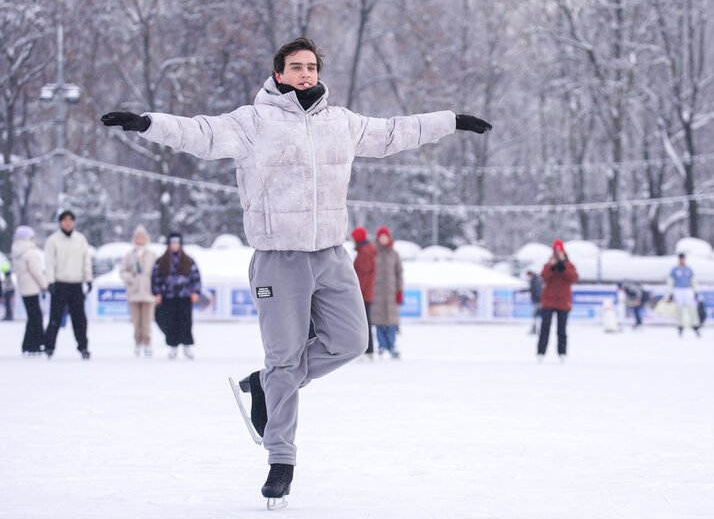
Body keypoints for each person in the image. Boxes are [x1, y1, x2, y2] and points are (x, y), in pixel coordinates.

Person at [101, 36, 491, 506]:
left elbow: (393, 132)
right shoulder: (252, 122)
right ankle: (280, 459)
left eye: (311, 67)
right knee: (285, 359)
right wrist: (147, 123)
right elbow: (200, 133)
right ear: (279, 74)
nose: (306, 74)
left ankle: (266, 385)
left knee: (352, 341)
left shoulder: (341, 122)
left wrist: (451, 120)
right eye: (296, 67)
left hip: (330, 255)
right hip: (278, 257)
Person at [43, 210, 93, 359]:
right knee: (55, 317)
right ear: (60, 222)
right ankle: (49, 346)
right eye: (65, 220)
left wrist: (88, 278)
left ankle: (83, 347)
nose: (68, 222)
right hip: (59, 283)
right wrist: (50, 281)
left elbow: (86, 260)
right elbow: (49, 263)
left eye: (71, 220)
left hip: (76, 284)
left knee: (80, 319)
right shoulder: (53, 240)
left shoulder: (80, 239)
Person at [151, 232, 201, 359]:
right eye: (172, 243)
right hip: (168, 297)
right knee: (170, 322)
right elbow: (155, 278)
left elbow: (195, 277)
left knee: (186, 322)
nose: (175, 245)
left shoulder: (188, 260)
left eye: (177, 243)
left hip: (184, 297)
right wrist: (157, 293)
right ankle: (173, 346)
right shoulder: (161, 261)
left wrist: (195, 292)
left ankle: (187, 345)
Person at [120, 225, 158, 357]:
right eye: (138, 237)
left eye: (142, 237)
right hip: (134, 292)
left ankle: (147, 343)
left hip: (148, 292)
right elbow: (122, 271)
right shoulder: (129, 255)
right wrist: (131, 278)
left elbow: (157, 272)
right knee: (136, 321)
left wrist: (155, 286)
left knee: (147, 321)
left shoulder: (152, 254)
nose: (140, 240)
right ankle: (138, 342)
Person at [538, 240, 579, 362]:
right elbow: (543, 276)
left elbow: (573, 277)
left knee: (562, 329)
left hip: (563, 301)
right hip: (548, 300)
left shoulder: (569, 265)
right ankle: (541, 352)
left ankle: (562, 352)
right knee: (545, 328)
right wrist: (551, 266)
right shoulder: (548, 264)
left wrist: (563, 266)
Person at [11, 226, 48, 355]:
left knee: (32, 316)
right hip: (32, 287)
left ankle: (28, 344)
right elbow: (36, 271)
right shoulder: (30, 251)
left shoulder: (16, 250)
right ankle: (36, 343)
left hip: (23, 287)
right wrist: (44, 285)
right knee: (36, 317)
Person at [371, 226, 403, 359]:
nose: (383, 239)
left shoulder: (394, 254)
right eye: (381, 237)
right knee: (378, 321)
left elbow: (399, 273)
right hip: (376, 293)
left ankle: (392, 345)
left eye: (385, 237)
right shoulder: (373, 252)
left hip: (390, 293)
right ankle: (381, 345)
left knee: (391, 322)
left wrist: (399, 290)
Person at [351, 226, 376, 360]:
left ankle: (367, 350)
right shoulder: (366, 250)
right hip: (366, 293)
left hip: (363, 294)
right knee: (364, 322)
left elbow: (363, 276)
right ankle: (368, 349)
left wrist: (358, 292)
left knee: (363, 323)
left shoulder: (364, 252)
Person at [668, 253, 700, 337]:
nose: (682, 260)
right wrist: (670, 292)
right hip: (678, 289)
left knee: (691, 308)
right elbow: (670, 282)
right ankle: (680, 326)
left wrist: (695, 291)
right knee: (679, 309)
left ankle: (695, 325)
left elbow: (693, 281)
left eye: (683, 259)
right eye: (681, 259)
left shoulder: (688, 269)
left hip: (688, 289)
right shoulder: (675, 269)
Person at [526, 270, 543, 335]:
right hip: (538, 300)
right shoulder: (536, 279)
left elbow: (537, 290)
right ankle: (537, 329)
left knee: (535, 316)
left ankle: (536, 329)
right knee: (537, 316)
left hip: (537, 301)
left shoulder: (534, 280)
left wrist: (538, 299)